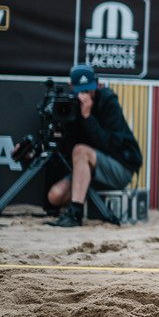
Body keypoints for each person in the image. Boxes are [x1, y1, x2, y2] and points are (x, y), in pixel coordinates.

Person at [43, 64, 142, 227]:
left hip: (119, 166)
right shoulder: (71, 105)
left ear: (96, 84)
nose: (85, 96)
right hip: (90, 170)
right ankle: (81, 201)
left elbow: (111, 146)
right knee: (55, 195)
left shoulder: (108, 101)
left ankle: (75, 215)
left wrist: (88, 117)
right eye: (81, 90)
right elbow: (68, 153)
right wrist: (61, 127)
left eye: (89, 90)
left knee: (81, 151)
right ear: (71, 87)